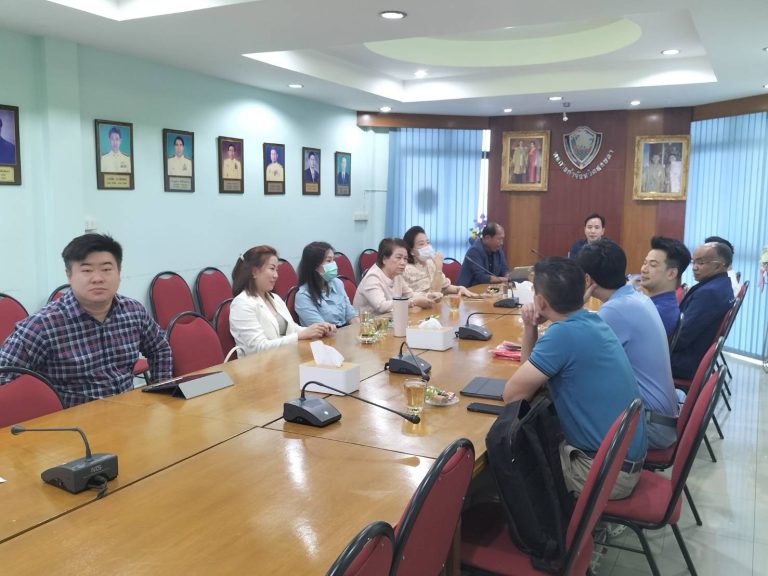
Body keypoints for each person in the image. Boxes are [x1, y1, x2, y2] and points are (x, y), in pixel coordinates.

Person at [502, 257, 646, 499]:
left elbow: (513, 396)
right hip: (621, 461)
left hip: (604, 473)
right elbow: (526, 382)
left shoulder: (563, 334)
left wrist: (531, 326)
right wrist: (530, 327)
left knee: (512, 462)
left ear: (540, 301)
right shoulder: (592, 320)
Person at [0, 234, 171, 407]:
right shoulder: (42, 325)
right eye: (87, 270)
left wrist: (159, 393)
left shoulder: (133, 311)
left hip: (130, 412)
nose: (98, 278)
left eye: (106, 269)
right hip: (74, 420)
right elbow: (4, 375)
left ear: (119, 273)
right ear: (69, 275)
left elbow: (160, 348)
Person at [577, 240, 678, 449]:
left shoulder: (615, 310)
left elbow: (574, 357)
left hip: (650, 425)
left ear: (587, 279)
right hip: (660, 417)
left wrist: (575, 306)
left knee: (561, 404)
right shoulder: (638, 298)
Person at [229, 246, 335, 356]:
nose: (276, 275)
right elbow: (258, 348)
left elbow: (292, 329)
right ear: (254, 272)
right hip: (259, 364)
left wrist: (317, 330)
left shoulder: (275, 298)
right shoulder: (241, 304)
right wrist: (299, 336)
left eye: (276, 270)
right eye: (272, 269)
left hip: (284, 358)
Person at [671, 241, 735, 379]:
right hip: (696, 356)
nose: (694, 267)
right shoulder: (723, 284)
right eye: (693, 262)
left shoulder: (708, 293)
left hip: (683, 361)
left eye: (700, 263)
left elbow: (681, 338)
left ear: (718, 265)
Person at [353, 238, 433, 314]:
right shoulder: (372, 277)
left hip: (389, 319)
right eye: (398, 258)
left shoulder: (396, 275)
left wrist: (429, 296)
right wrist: (413, 302)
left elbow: (410, 294)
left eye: (405, 258)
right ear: (384, 259)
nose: (403, 262)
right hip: (367, 322)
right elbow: (381, 306)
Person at [295, 241, 359, 327]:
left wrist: (361, 330)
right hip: (326, 335)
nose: (334, 264)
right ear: (314, 265)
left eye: (333, 260)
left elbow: (351, 315)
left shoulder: (337, 283)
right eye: (329, 260)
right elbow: (322, 329)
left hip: (345, 331)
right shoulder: (303, 296)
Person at [401, 226, 477, 298]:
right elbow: (434, 295)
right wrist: (438, 267)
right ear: (412, 251)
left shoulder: (430, 263)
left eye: (428, 242)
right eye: (421, 244)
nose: (427, 246)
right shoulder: (407, 270)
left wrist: (458, 289)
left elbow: (443, 288)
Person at [639, 236, 691, 336]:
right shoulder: (659, 305)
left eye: (653, 265)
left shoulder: (657, 313)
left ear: (671, 274)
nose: (644, 269)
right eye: (645, 263)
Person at [456, 222, 509, 287]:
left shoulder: (498, 250)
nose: (501, 243)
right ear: (487, 238)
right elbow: (482, 277)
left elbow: (504, 269)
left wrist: (508, 276)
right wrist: (505, 279)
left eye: (502, 239)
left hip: (488, 289)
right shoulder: (474, 251)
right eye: (499, 239)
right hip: (469, 289)